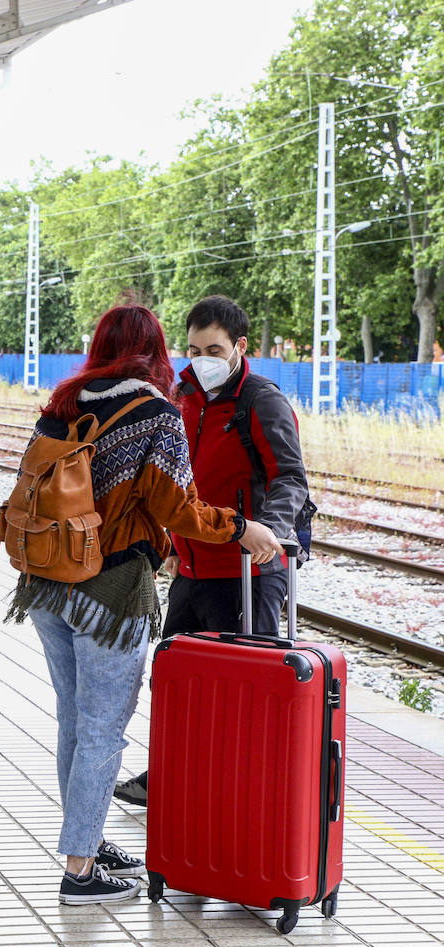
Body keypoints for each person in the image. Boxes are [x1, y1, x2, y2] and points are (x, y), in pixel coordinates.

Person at [3, 303, 280, 905]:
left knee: (74, 721)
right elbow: (176, 508)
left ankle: (91, 839)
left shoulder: (63, 403)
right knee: (103, 729)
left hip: (47, 582)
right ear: (154, 351)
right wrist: (239, 529)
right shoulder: (156, 412)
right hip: (111, 590)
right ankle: (79, 872)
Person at [113, 295, 310, 808]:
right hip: (194, 569)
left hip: (248, 571)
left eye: (214, 348)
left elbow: (290, 478)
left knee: (248, 690)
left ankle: (248, 796)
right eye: (194, 347)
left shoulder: (260, 401)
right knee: (176, 681)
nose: (202, 358)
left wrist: (267, 529)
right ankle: (172, 775)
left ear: (240, 347)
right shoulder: (180, 396)